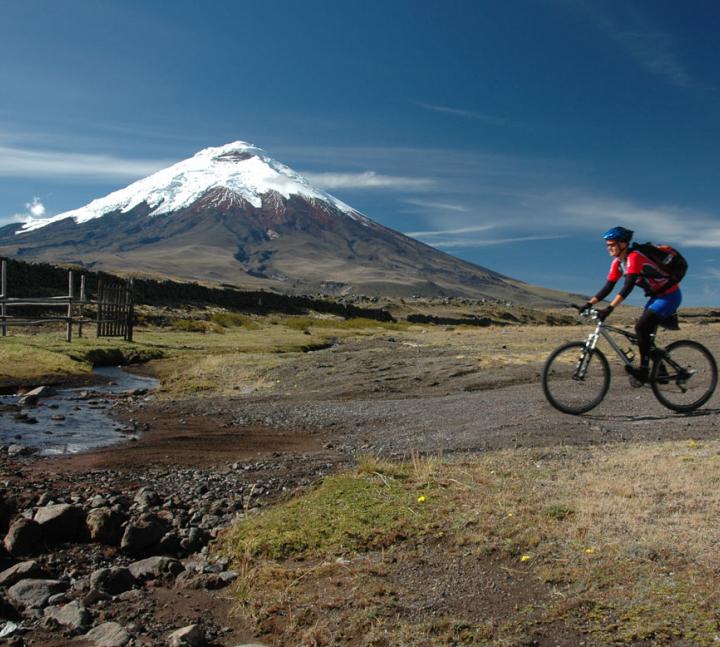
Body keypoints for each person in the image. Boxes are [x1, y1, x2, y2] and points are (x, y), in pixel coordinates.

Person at [579, 226, 682, 383]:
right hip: (655, 297)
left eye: (612, 244)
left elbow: (627, 287)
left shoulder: (635, 257)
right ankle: (660, 369)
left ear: (623, 244)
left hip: (670, 296)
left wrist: (609, 308)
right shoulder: (618, 263)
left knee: (641, 328)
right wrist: (588, 303)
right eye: (607, 245)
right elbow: (608, 287)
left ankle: (643, 371)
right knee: (642, 337)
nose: (609, 248)